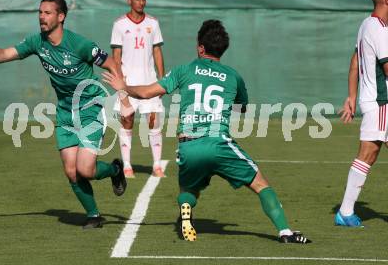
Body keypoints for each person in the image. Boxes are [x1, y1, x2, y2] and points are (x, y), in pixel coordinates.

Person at [103, 19, 311, 243]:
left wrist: (124, 87)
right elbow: (242, 107)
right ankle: (285, 232)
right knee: (261, 185)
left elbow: (146, 93)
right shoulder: (233, 76)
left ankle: (185, 208)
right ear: (222, 49)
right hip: (218, 143)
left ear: (201, 47)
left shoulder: (184, 70)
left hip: (188, 145)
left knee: (189, 188)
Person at [0, 0, 127, 229]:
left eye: (47, 13)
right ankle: (93, 215)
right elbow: (4, 54)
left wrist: (123, 97)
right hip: (65, 112)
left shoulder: (81, 45)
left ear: (61, 17)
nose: (41, 17)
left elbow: (110, 63)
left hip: (90, 109)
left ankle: (115, 169)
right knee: (71, 171)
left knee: (85, 169)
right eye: (40, 12)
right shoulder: (37, 42)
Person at [336, 0, 388, 227]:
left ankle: (345, 212)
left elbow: (355, 63)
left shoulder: (366, 25)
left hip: (374, 103)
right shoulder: (379, 28)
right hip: (382, 103)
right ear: (386, 0)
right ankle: (345, 212)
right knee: (367, 153)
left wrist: (352, 98)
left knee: (368, 154)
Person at [110, 0, 165, 178]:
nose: (141, 3)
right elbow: (116, 55)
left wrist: (163, 79)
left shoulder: (153, 23)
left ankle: (157, 165)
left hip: (150, 82)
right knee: (127, 120)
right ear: (129, 0)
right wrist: (119, 80)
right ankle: (126, 166)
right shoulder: (119, 24)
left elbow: (157, 51)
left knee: (153, 121)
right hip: (128, 84)